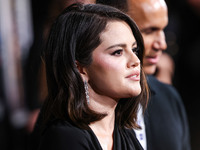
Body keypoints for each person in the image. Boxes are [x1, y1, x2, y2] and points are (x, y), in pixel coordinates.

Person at [30, 3, 149, 150]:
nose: (135, 61)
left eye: (134, 50)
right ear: (79, 68)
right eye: (117, 52)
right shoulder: (66, 138)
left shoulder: (124, 132)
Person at [96, 0, 191, 150]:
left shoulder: (169, 98)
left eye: (163, 30)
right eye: (149, 31)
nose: (162, 44)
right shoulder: (83, 118)